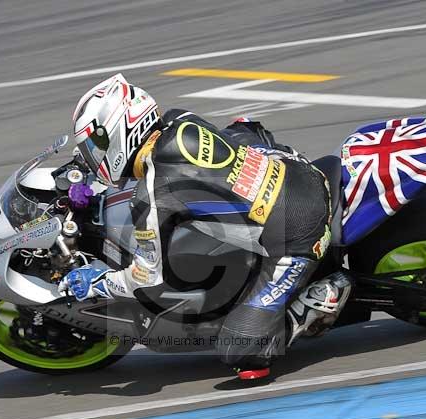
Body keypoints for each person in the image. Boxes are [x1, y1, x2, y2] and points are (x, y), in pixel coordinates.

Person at [60, 74, 351, 379]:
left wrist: (97, 282)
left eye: (95, 146)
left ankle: (319, 299)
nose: (93, 157)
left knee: (240, 350)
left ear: (121, 131)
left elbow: (146, 279)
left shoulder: (152, 193)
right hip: (297, 170)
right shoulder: (178, 120)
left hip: (299, 229)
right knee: (240, 130)